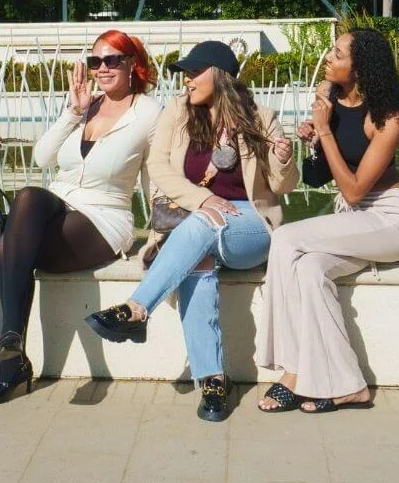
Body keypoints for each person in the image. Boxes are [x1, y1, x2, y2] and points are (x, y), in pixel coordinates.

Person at [85, 40, 298, 422]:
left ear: (220, 74)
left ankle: (136, 309)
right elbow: (161, 168)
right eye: (185, 73)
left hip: (250, 226)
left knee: (201, 226)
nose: (187, 80)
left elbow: (282, 186)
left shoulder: (260, 116)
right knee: (198, 261)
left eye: (194, 72)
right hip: (198, 223)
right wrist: (202, 199)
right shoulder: (178, 112)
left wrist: (284, 160)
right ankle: (213, 380)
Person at [0, 30, 162, 407]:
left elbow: (154, 179)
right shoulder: (86, 106)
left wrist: (159, 233)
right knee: (28, 196)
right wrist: (72, 112)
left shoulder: (149, 113)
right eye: (94, 61)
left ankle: (10, 366)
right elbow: (43, 158)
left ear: (133, 64)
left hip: (103, 218)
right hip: (58, 204)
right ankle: (12, 345)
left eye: (111, 60)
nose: (101, 69)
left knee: (9, 242)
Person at [256, 27, 399, 414]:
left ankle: (293, 370)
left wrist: (326, 131)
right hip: (355, 223)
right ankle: (350, 386)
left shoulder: (390, 118)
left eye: (337, 54)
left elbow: (355, 191)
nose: (328, 57)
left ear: (359, 68)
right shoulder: (331, 100)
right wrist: (312, 143)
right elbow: (317, 179)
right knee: (310, 270)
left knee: (285, 239)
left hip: (389, 221)